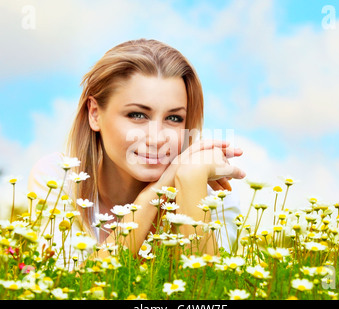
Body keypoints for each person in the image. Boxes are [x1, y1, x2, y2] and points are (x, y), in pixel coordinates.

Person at [28, 39, 246, 265]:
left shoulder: (214, 196)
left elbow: (205, 289)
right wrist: (156, 192)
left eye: (174, 118)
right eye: (137, 115)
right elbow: (73, 288)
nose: (157, 138)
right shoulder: (57, 179)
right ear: (95, 114)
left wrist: (190, 179)